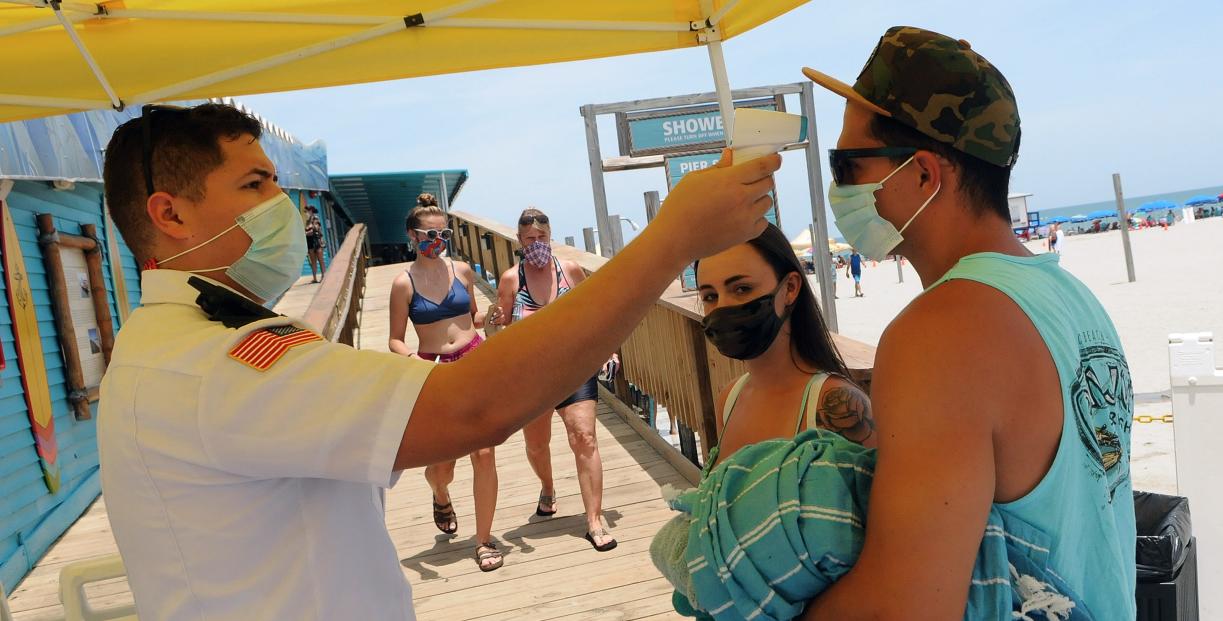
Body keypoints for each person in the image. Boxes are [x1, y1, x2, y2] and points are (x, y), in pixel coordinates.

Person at [97, 102, 780, 619]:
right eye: (253, 186)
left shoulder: (183, 342)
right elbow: (473, 407)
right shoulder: (212, 361)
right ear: (172, 215)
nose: (282, 206)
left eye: (278, 184)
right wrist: (673, 238)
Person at [798, 26, 1135, 619]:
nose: (836, 188)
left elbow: (906, 605)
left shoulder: (943, 332)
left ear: (925, 174)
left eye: (846, 165)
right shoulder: (1065, 294)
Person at [386, 195, 502, 572]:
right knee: (443, 464)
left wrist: (494, 314)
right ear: (412, 236)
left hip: (473, 361)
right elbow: (396, 338)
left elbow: (474, 317)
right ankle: (440, 491)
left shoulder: (463, 271)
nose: (437, 239)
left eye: (443, 233)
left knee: (484, 453)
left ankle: (483, 541)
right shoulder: (403, 284)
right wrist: (410, 361)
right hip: (433, 371)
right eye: (429, 233)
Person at [490, 208, 616, 552]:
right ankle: (547, 486)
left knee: (584, 437)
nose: (536, 244)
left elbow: (594, 312)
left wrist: (608, 350)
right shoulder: (511, 279)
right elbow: (500, 329)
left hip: (574, 367)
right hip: (532, 376)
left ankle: (594, 520)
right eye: (529, 239)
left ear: (551, 237)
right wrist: (497, 320)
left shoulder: (570, 271)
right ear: (519, 240)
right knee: (536, 444)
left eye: (542, 238)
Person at [695, 223, 873, 465]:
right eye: (710, 296)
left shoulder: (836, 403)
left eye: (742, 289)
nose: (723, 307)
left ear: (790, 288)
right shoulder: (729, 400)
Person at [304, 204, 325, 282]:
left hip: (317, 241)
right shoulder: (307, 221)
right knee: (313, 261)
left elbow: (315, 229)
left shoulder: (315, 218)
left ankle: (323, 276)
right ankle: (315, 278)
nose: (306, 213)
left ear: (311, 211)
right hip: (310, 242)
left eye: (307, 211)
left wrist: (306, 233)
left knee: (320, 260)